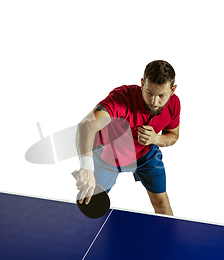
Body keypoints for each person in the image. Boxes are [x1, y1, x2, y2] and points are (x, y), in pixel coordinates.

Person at [75, 60, 180, 215]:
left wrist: (155, 139)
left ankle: (169, 238)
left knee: (162, 203)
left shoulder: (174, 104)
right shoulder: (122, 99)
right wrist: (86, 166)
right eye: (149, 93)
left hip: (146, 155)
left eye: (161, 96)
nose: (154, 102)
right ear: (143, 83)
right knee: (90, 202)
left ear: (172, 90)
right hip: (108, 156)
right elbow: (86, 126)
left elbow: (173, 136)